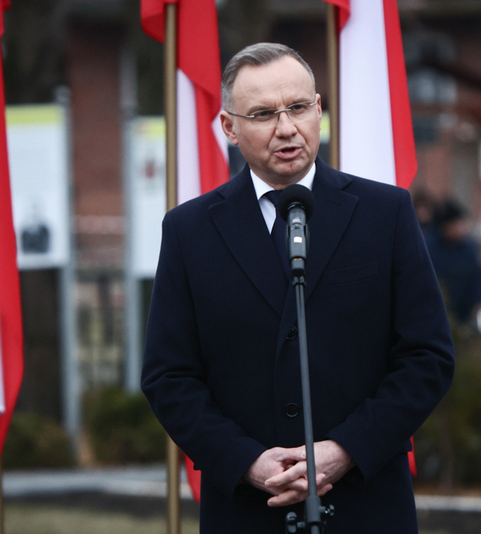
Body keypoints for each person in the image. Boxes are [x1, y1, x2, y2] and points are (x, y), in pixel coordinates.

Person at [141, 43, 454, 533]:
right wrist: (246, 461)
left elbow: (427, 357)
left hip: (366, 507)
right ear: (228, 127)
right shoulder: (190, 231)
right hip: (247, 512)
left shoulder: (384, 214)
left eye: (298, 108)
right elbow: (169, 376)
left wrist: (345, 450)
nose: (286, 128)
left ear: (319, 109)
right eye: (263, 114)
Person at [425, 199, 481, 330]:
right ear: (445, 227)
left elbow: (478, 277)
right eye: (457, 223)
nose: (462, 228)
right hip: (438, 315)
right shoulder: (428, 249)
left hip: (465, 313)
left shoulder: (469, 248)